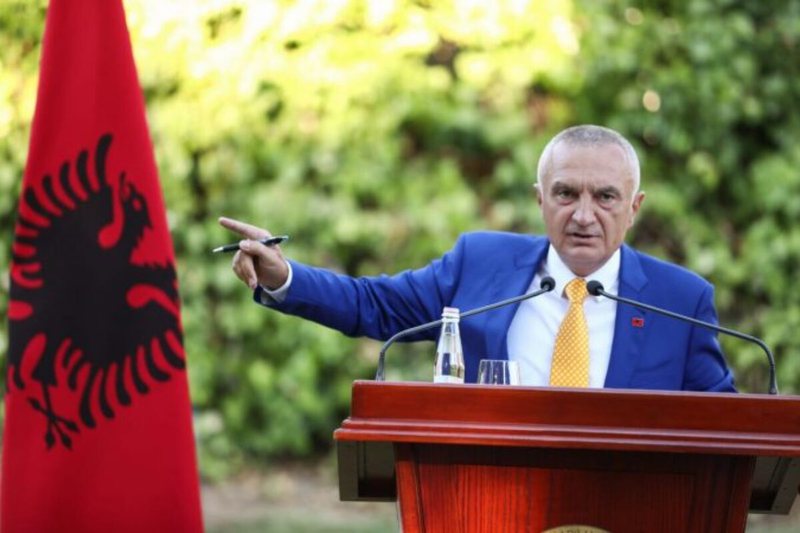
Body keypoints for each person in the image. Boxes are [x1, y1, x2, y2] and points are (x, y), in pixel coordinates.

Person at [220, 124, 735, 392]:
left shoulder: (681, 301)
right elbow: (372, 305)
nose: (583, 215)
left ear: (633, 208)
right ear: (540, 199)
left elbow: (726, 431)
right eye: (565, 194)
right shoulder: (480, 263)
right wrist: (285, 276)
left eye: (604, 197)